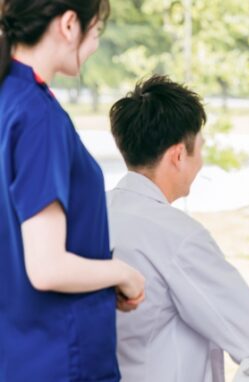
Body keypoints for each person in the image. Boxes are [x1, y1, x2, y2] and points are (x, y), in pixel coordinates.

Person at [107, 74, 249, 382]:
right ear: (178, 155)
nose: (201, 161)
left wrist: (242, 301)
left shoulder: (93, 213)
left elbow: (167, 301)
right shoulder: (177, 234)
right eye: (199, 149)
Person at [0, 1, 145, 381]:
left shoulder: (9, 100)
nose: (96, 45)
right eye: (95, 32)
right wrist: (122, 273)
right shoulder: (38, 116)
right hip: (58, 358)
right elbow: (47, 268)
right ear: (68, 25)